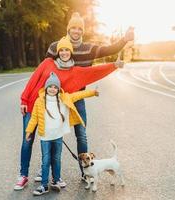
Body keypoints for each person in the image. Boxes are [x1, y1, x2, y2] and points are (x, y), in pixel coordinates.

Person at [14, 36, 124, 190]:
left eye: (67, 50)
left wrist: (114, 65)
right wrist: (24, 100)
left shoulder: (75, 72)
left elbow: (94, 72)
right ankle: (23, 175)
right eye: (62, 50)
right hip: (33, 105)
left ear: (71, 52)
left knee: (49, 142)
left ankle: (48, 173)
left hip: (49, 113)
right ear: (57, 51)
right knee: (27, 141)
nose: (64, 52)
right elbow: (33, 79)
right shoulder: (47, 63)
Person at [44, 12, 134, 182]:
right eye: (74, 27)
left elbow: (110, 49)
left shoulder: (88, 48)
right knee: (53, 136)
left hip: (78, 99)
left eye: (79, 28)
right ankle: (48, 173)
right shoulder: (55, 47)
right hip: (57, 100)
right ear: (69, 29)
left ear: (82, 31)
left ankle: (85, 173)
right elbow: (44, 72)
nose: (76, 31)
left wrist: (124, 39)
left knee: (82, 135)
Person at [25, 72, 99, 196]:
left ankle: (56, 180)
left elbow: (78, 94)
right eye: (50, 86)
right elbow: (34, 118)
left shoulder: (64, 98)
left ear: (59, 89)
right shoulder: (39, 101)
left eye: (55, 87)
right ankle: (43, 185)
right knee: (46, 160)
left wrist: (92, 92)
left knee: (56, 159)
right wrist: (29, 131)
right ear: (46, 87)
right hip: (45, 137)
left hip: (58, 136)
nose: (53, 89)